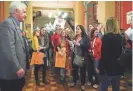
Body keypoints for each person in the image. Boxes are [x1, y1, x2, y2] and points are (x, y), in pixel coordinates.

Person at [0, 2, 27, 91]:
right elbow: (8, 49)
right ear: (16, 11)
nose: (25, 14)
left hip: (16, 74)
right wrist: (18, 67)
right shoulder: (7, 24)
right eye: (24, 12)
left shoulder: (15, 24)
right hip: (11, 74)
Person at [98, 17, 124, 91]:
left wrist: (99, 67)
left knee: (103, 87)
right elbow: (120, 53)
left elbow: (104, 55)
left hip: (107, 68)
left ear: (108, 25)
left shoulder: (106, 37)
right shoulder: (120, 37)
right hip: (118, 67)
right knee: (116, 88)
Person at [70, 25, 90, 91]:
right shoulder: (76, 36)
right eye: (76, 29)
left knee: (82, 71)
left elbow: (88, 46)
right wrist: (73, 45)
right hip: (75, 55)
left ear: (82, 30)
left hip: (82, 56)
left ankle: (82, 84)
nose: (77, 30)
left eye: (78, 29)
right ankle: (74, 81)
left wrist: (79, 44)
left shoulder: (85, 37)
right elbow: (75, 45)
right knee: (74, 70)